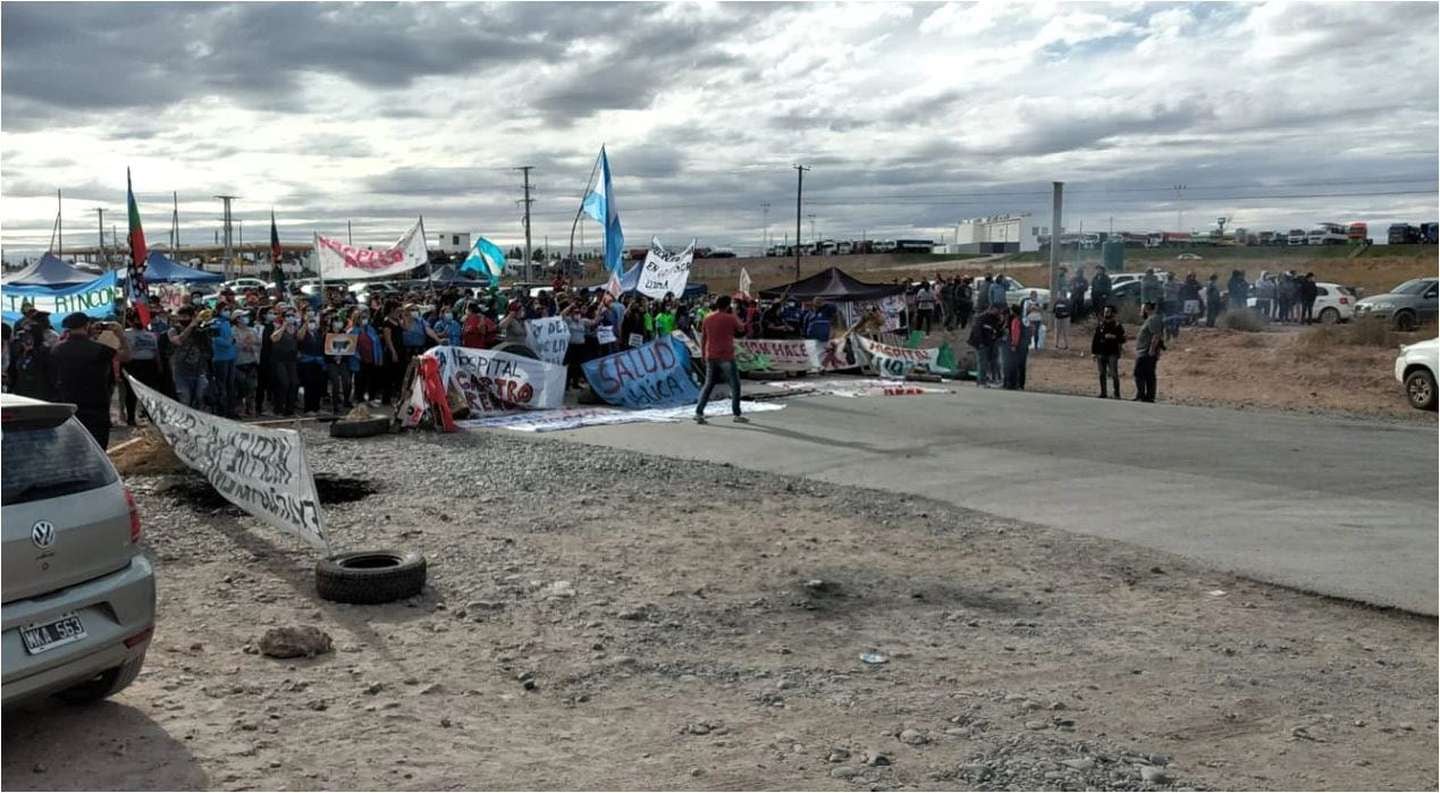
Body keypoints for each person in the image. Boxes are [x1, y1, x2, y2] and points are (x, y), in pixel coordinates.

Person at [52, 313, 129, 448]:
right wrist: (121, 336)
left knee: (73, 446)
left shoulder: (57, 349)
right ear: (87, 326)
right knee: (96, 446)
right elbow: (126, 357)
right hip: (96, 403)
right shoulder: (99, 349)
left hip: (68, 402)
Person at [694, 294, 748, 424]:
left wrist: (703, 353)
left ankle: (699, 412)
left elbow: (703, 338)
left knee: (708, 385)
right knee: (735, 385)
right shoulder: (730, 318)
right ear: (728, 305)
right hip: (726, 355)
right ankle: (736, 413)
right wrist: (734, 314)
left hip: (711, 355)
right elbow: (742, 328)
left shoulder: (707, 318)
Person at [121, 309, 163, 426]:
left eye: (141, 319)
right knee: (131, 392)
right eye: (136, 319)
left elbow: (156, 352)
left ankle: (151, 416)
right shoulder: (126, 334)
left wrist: (159, 365)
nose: (139, 321)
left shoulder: (151, 335)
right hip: (134, 364)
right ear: (131, 321)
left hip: (149, 365)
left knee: (150, 391)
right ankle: (131, 418)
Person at [167, 305, 212, 409]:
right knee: (185, 399)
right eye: (181, 317)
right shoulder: (173, 330)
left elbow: (208, 349)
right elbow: (178, 341)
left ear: (192, 317)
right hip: (180, 372)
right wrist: (190, 326)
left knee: (201, 398)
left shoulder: (199, 331)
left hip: (199, 371)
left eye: (185, 317)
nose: (182, 319)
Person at [8, 318, 56, 400]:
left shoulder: (44, 352)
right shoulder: (20, 351)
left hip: (41, 396)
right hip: (21, 395)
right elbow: (14, 372)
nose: (25, 338)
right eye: (24, 335)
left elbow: (52, 376)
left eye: (28, 335)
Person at [269, 309, 301, 416]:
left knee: (294, 383)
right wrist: (283, 327)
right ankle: (278, 408)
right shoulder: (278, 328)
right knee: (284, 383)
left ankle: (289, 409)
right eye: (288, 316)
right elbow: (273, 338)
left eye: (292, 315)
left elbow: (300, 338)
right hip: (279, 360)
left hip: (291, 360)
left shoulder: (296, 329)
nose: (290, 318)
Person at [1091, 304, 1126, 399]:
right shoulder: (1100, 325)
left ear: (1112, 313)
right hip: (1101, 352)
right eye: (1105, 311)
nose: (1106, 313)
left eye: (1108, 312)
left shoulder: (1117, 326)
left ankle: (1117, 393)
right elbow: (1095, 339)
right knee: (1102, 373)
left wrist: (1114, 337)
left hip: (1112, 353)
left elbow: (1123, 339)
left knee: (1114, 373)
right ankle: (1103, 392)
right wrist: (1093, 352)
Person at [209, 307, 238, 417]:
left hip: (231, 356)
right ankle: (222, 410)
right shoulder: (215, 323)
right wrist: (228, 343)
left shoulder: (227, 323)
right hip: (220, 358)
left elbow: (231, 337)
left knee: (231, 385)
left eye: (228, 309)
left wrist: (232, 341)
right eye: (225, 309)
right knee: (222, 385)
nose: (228, 311)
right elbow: (215, 338)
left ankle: (231, 410)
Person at [323, 311, 355, 413]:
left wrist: (342, 356)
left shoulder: (345, 334)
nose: (338, 324)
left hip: (343, 361)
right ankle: (335, 404)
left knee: (347, 381)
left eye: (340, 322)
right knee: (335, 383)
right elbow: (325, 350)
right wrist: (333, 358)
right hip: (331, 362)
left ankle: (346, 400)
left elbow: (349, 347)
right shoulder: (327, 335)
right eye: (336, 321)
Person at [1133, 301, 1164, 403]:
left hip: (1146, 351)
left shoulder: (1153, 319)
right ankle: (1145, 395)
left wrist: (1152, 350)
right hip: (1143, 350)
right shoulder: (1149, 319)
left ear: (1146, 309)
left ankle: (1145, 395)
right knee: (1146, 374)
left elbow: (1156, 335)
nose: (1141, 311)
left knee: (1140, 373)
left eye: (1142, 309)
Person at [297, 312, 327, 414]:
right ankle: (308, 408)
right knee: (309, 386)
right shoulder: (303, 334)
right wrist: (306, 323)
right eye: (310, 322)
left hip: (318, 363)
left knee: (317, 386)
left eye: (313, 322)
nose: (312, 324)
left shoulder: (318, 334)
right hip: (307, 363)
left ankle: (316, 407)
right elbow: (299, 337)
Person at [233, 309, 261, 417]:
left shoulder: (252, 330)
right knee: (240, 388)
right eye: (242, 317)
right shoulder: (233, 331)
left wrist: (251, 344)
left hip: (252, 362)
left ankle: (251, 409)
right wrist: (246, 344)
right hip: (239, 363)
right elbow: (237, 345)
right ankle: (239, 409)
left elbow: (258, 343)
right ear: (237, 319)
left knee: (252, 387)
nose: (246, 318)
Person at [966, 306, 996, 387]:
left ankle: (981, 381)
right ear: (991, 309)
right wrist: (981, 343)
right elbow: (977, 331)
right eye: (995, 310)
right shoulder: (982, 318)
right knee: (982, 363)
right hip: (980, 343)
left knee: (983, 363)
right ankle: (982, 381)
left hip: (986, 343)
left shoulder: (992, 318)